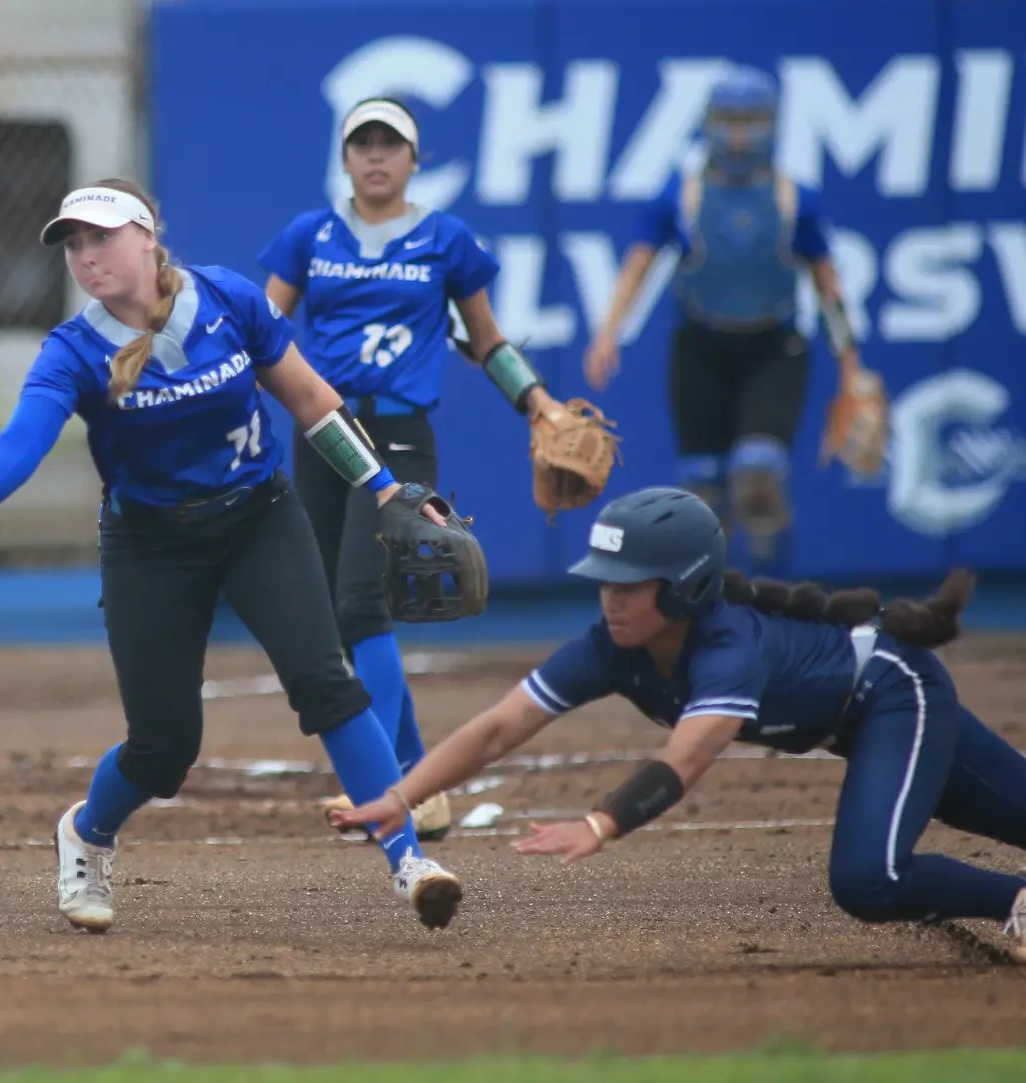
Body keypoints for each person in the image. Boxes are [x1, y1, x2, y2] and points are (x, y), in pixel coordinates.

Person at [0, 179, 467, 935]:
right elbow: (21, 441)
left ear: (148, 235)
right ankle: (86, 832)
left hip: (260, 519)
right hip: (149, 547)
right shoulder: (73, 350)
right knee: (164, 749)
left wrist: (385, 488)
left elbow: (312, 402)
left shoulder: (228, 300)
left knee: (326, 681)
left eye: (102, 237)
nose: (86, 256)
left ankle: (408, 859)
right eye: (74, 244)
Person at [332, 487, 1026, 960]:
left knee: (867, 879)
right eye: (604, 581)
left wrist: (600, 823)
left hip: (894, 695)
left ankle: (1013, 901)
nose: (611, 599)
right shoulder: (613, 645)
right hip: (858, 720)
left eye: (628, 583)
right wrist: (399, 796)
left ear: (686, 586)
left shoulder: (728, 648)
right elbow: (496, 729)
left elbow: (687, 758)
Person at [261, 97, 581, 843]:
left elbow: (486, 340)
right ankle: (416, 776)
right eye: (361, 143)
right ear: (343, 158)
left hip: (398, 434)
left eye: (390, 144)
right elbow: (262, 331)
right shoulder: (308, 235)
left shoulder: (445, 239)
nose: (375, 155)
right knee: (332, 611)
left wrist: (536, 404)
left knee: (361, 602)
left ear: (415, 157)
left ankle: (392, 787)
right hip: (320, 428)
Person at [583, 68, 875, 570]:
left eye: (751, 122)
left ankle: (773, 598)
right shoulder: (681, 195)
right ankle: (710, 607)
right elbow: (637, 268)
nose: (739, 135)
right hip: (700, 348)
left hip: (774, 350)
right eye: (729, 121)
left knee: (758, 474)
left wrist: (850, 363)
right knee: (701, 485)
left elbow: (828, 286)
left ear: (773, 124)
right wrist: (608, 332)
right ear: (709, 123)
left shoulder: (794, 199)